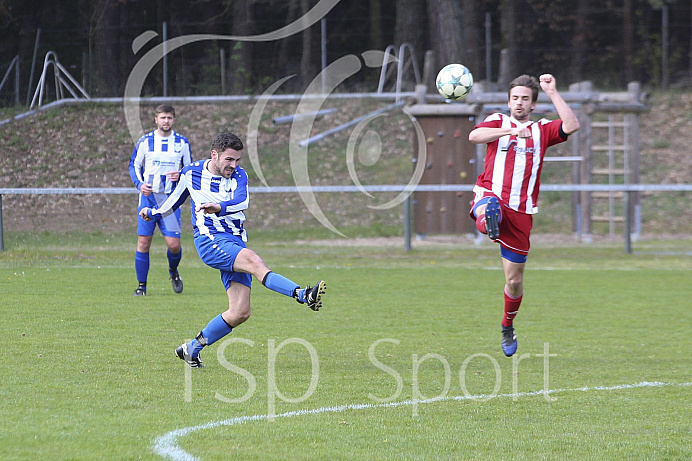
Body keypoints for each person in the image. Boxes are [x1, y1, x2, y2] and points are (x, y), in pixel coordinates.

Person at [140, 132, 326, 368]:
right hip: (210, 240)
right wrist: (154, 213)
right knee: (254, 261)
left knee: (240, 312)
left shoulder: (239, 175)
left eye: (237, 160)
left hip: (234, 241)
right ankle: (302, 294)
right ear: (214, 154)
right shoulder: (192, 173)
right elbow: (174, 200)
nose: (233, 165)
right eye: (229, 160)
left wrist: (219, 207)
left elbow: (242, 201)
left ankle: (191, 349)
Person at [468, 74, 579, 357]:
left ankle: (507, 325)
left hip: (521, 211)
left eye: (525, 99)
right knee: (488, 209)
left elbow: (571, 125)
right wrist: (509, 132)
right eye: (515, 98)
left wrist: (553, 92)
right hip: (490, 194)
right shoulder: (497, 121)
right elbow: (475, 136)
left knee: (514, 282)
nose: (519, 103)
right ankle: (487, 222)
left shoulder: (542, 130)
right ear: (508, 101)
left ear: (532, 105)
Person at [129, 104, 192, 296]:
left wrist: (180, 174)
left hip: (170, 202)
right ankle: (142, 286)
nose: (166, 121)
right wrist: (140, 185)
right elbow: (134, 165)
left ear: (174, 120)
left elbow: (190, 171)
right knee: (143, 243)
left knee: (174, 246)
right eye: (163, 117)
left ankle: (173, 272)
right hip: (148, 200)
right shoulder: (145, 142)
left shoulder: (181, 143)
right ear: (156, 119)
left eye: (169, 118)